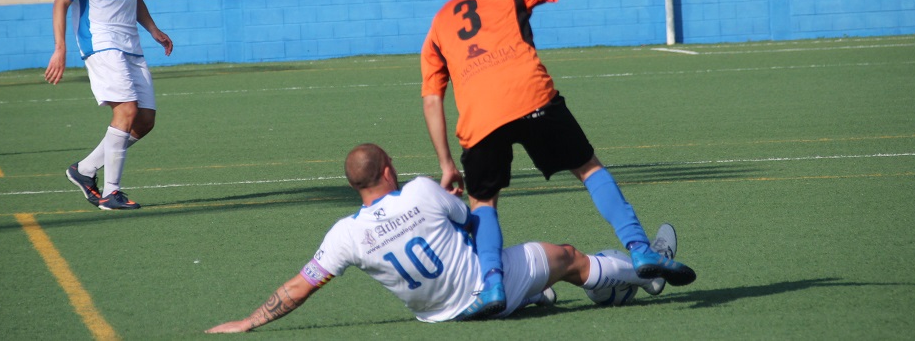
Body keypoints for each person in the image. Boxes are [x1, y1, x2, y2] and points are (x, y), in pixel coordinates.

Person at [420, 0, 696, 318]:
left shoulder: (438, 23)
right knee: (589, 169)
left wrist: (446, 163)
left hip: (480, 120)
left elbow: (431, 99)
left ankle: (493, 284)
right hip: (532, 97)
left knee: (483, 203)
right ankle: (640, 249)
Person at [206, 144, 674, 333]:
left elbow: (300, 285)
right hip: (483, 292)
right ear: (387, 171)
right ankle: (648, 274)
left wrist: (249, 321)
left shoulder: (344, 234)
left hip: (436, 315)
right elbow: (473, 225)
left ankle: (559, 292)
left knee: (526, 271)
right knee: (567, 256)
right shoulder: (420, 190)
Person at [44, 0, 173, 210]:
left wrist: (153, 29)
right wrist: (60, 48)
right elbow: (60, 3)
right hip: (100, 43)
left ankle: (85, 169)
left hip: (131, 45)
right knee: (126, 110)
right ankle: (111, 193)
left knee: (144, 120)